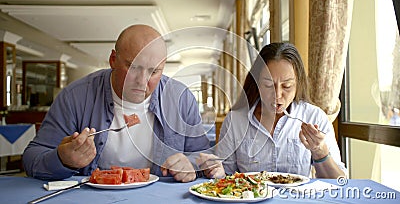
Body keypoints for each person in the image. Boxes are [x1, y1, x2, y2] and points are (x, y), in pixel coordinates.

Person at [22, 24, 224, 182]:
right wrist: (62, 159)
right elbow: (32, 158)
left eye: (154, 71)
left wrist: (192, 165)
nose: (142, 80)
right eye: (133, 67)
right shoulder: (75, 96)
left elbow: (203, 157)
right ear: (113, 59)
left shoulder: (182, 98)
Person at [216, 42, 347, 178]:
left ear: (298, 84)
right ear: (257, 83)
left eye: (287, 86)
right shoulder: (235, 120)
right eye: (268, 85)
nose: (277, 94)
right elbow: (225, 176)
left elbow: (340, 182)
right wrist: (215, 171)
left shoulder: (314, 117)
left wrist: (320, 151)